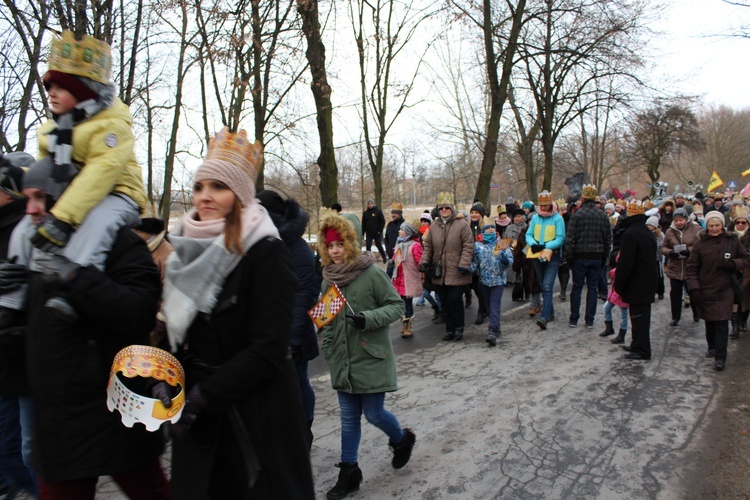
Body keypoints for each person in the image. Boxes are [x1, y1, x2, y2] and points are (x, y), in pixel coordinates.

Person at [162, 128, 314, 498]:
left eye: (218, 186)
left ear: (240, 195)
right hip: (199, 424)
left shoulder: (266, 252)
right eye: (199, 187)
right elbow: (177, 331)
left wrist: (204, 396)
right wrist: (165, 377)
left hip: (255, 422)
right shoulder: (183, 248)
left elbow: (267, 350)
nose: (205, 196)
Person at [16, 157, 169, 498]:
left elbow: (136, 313)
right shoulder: (36, 247)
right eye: (27, 199)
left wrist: (75, 276)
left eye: (41, 197)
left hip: (111, 412)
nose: (32, 210)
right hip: (57, 419)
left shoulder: (121, 243)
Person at [1, 32, 148, 324]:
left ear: (83, 91)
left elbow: (101, 173)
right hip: (77, 196)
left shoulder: (112, 128)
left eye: (61, 87)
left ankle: (74, 290)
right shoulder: (53, 130)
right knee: (22, 232)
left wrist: (65, 218)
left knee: (95, 224)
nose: (51, 93)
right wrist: (17, 176)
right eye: (49, 86)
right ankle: (12, 297)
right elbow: (47, 173)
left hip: (119, 194)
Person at [317, 214, 415, 500]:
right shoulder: (329, 280)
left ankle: (402, 440)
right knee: (348, 420)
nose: (335, 250)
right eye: (329, 245)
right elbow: (326, 321)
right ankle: (349, 473)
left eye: (340, 244)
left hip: (371, 358)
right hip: (342, 362)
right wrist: (330, 352)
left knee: (373, 414)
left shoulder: (371, 274)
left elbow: (396, 306)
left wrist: (368, 318)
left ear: (352, 243)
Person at [257, 190, 319, 433]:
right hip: (272, 331)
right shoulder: (265, 243)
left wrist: (292, 339)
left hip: (295, 334)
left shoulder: (298, 250)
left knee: (299, 383)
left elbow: (304, 295)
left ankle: (305, 427)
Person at [0, 152, 36, 498]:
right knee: (9, 451)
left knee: (26, 451)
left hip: (25, 357)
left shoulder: (25, 230)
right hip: (6, 359)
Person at [687, 211, 750, 370]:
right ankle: (712, 346)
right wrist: (694, 288)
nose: (714, 228)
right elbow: (692, 268)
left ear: (722, 225)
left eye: (717, 225)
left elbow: (746, 259)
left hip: (725, 288)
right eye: (711, 226)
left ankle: (720, 357)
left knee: (722, 322)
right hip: (706, 288)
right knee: (710, 320)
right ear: (706, 227)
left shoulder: (732, 241)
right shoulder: (700, 245)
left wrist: (733, 264)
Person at [419, 193, 474, 341]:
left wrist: (464, 264)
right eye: (441, 208)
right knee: (444, 301)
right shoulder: (434, 226)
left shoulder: (462, 225)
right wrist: (424, 262)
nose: (443, 210)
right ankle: (449, 330)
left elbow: (468, 246)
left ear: (451, 208)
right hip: (440, 272)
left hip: (457, 270)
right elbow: (428, 246)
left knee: (455, 300)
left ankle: (459, 328)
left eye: (446, 207)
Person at [615, 201, 659, 361]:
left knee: (639, 316)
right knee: (639, 315)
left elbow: (626, 263)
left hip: (638, 281)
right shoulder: (645, 231)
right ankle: (637, 344)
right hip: (646, 280)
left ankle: (642, 349)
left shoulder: (631, 234)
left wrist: (619, 284)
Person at [564, 184, 612, 330]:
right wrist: (604, 257)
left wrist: (570, 258)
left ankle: (574, 318)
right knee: (592, 288)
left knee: (577, 288)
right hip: (596, 256)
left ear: (583, 198)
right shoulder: (602, 215)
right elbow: (607, 239)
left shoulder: (576, 215)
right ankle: (589, 320)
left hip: (579, 256)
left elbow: (570, 238)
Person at [525, 191, 566, 330]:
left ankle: (544, 316)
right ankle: (551, 312)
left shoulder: (558, 219)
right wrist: (533, 244)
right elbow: (528, 234)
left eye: (546, 205)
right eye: (541, 205)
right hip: (537, 256)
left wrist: (546, 246)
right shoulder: (536, 218)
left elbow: (561, 238)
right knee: (543, 285)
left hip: (552, 256)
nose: (543, 208)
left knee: (547, 286)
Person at [470, 220, 513, 346]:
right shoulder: (478, 246)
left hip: (498, 280)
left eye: (492, 232)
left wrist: (506, 261)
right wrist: (468, 269)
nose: (490, 234)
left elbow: (510, 258)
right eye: (487, 232)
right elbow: (475, 262)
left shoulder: (501, 244)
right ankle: (496, 326)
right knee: (488, 306)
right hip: (484, 280)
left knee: (494, 305)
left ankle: (492, 331)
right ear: (482, 234)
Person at [661, 207, 701, 327]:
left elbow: (701, 244)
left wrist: (689, 250)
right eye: (676, 220)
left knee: (693, 292)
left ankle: (696, 312)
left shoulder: (696, 229)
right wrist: (669, 252)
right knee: (675, 294)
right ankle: (675, 317)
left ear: (686, 219)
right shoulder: (670, 231)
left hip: (691, 266)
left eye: (681, 220)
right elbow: (663, 247)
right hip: (675, 266)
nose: (679, 223)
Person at [391, 221, 422, 338]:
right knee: (401, 304)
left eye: (402, 230)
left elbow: (420, 261)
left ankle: (409, 326)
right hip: (399, 279)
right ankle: (404, 325)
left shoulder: (415, 245)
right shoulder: (399, 244)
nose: (399, 231)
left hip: (408, 279)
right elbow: (396, 261)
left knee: (408, 304)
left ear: (408, 232)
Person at [599, 253, 629, 342]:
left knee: (623, 314)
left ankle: (622, 333)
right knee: (607, 308)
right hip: (616, 291)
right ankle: (609, 328)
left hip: (622, 292)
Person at [467, 202, 487, 324]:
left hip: (484, 262)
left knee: (480, 288)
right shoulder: (466, 227)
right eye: (472, 213)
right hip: (470, 261)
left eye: (476, 213)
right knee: (474, 287)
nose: (474, 215)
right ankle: (484, 307)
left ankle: (481, 311)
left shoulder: (485, 227)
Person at [362, 198, 387, 263]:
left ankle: (384, 256)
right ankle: (369, 259)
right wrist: (362, 233)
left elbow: (382, 221)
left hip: (377, 232)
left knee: (378, 245)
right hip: (368, 233)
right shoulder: (365, 213)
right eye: (369, 204)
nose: (370, 205)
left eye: (371, 203)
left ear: (373, 204)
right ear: (367, 205)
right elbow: (363, 224)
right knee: (368, 246)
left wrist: (380, 231)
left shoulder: (378, 212)